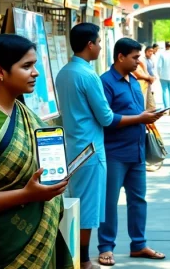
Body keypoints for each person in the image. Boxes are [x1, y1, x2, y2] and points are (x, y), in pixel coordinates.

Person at [0, 34, 72, 268]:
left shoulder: (20, 109)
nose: (35, 72)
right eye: (26, 66)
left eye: (35, 65)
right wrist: (27, 195)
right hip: (3, 247)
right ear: (0, 72)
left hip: (40, 233)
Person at [55, 24, 160, 269]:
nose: (101, 47)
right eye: (99, 42)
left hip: (77, 144)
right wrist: (141, 118)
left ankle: (132, 244)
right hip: (92, 148)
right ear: (90, 44)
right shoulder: (91, 76)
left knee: (86, 202)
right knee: (92, 205)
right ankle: (85, 258)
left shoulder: (64, 72)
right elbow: (106, 117)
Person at [98, 38, 165, 266]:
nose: (139, 61)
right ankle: (106, 247)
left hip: (137, 150)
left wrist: (150, 116)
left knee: (138, 200)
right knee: (110, 201)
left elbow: (136, 111)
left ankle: (139, 244)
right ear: (120, 57)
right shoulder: (105, 82)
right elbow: (106, 119)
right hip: (115, 152)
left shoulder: (134, 81)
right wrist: (140, 118)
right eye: (135, 57)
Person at [157, 42, 170, 114]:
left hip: (163, 76)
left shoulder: (162, 54)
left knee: (164, 91)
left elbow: (159, 66)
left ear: (165, 46)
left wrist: (159, 75)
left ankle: (166, 108)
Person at [135, 45, 156, 111]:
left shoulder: (149, 60)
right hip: (141, 87)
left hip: (147, 84)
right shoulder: (141, 60)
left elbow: (147, 71)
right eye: (149, 51)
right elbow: (138, 75)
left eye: (152, 51)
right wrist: (149, 78)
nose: (151, 53)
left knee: (150, 106)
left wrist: (150, 77)